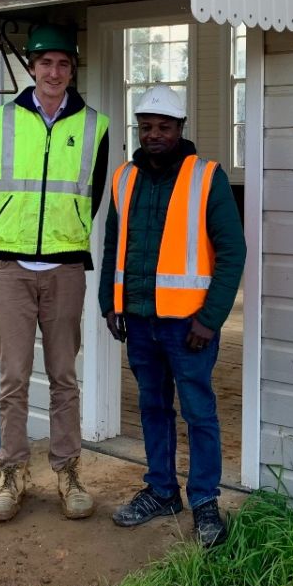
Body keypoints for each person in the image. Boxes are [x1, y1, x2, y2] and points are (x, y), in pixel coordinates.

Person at [0, 23, 109, 522]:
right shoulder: (0, 120)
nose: (54, 72)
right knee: (12, 378)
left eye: (63, 64)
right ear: (31, 67)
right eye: (45, 62)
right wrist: (13, 232)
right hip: (11, 267)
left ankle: (68, 471)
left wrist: (61, 234)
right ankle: (11, 472)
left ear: (73, 70)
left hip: (65, 268)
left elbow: (90, 196)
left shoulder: (95, 125)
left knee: (63, 377)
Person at [100, 84, 247, 547]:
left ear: (180, 128)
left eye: (163, 126)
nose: (154, 134)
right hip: (140, 320)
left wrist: (211, 318)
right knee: (153, 406)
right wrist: (111, 302)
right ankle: (162, 490)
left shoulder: (207, 177)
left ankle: (205, 501)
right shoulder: (123, 178)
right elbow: (112, 246)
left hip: (189, 326)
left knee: (199, 411)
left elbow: (233, 250)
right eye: (146, 127)